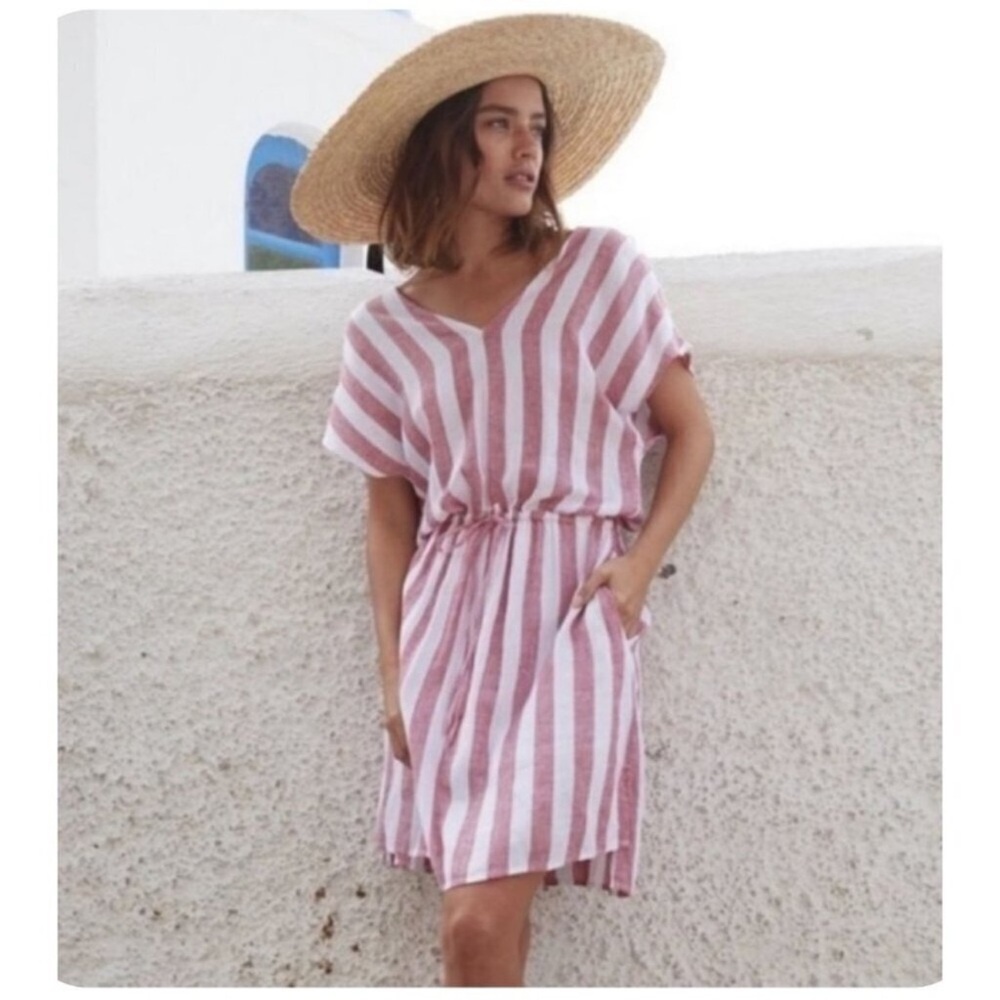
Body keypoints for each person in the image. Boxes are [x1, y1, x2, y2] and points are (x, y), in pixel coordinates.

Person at [291, 14, 715, 987]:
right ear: (445, 141)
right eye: (497, 123)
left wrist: (635, 572)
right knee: (483, 925)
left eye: (538, 125)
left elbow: (691, 430)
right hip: (448, 627)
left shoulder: (598, 269)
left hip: (572, 611)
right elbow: (389, 515)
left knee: (475, 925)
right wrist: (394, 677)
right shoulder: (382, 336)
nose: (528, 147)